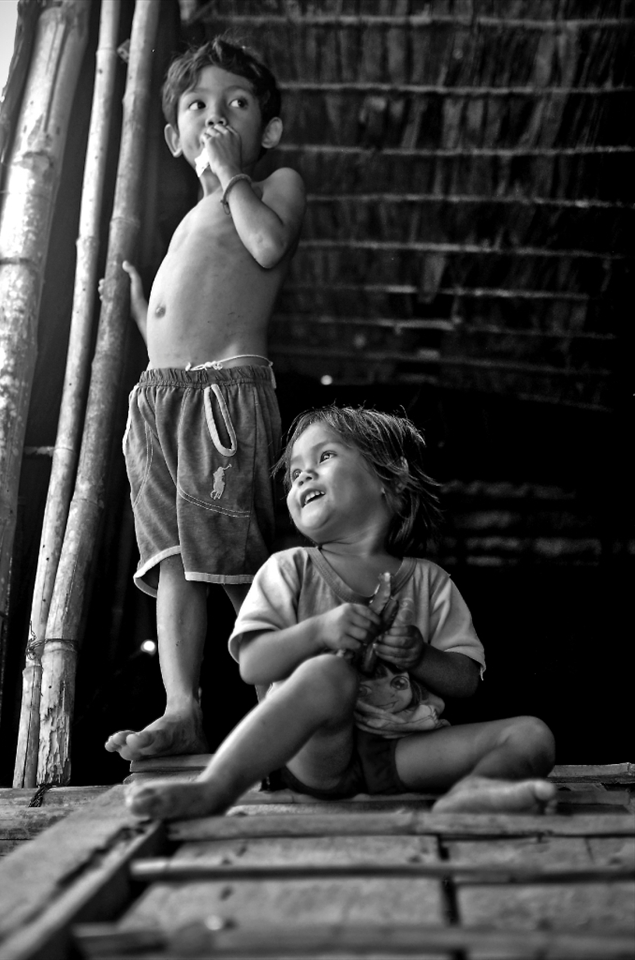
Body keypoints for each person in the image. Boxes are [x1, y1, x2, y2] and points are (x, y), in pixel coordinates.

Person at [126, 405, 556, 819]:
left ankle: (473, 792)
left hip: (404, 752)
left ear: (393, 476)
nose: (304, 476)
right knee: (327, 675)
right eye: (295, 474)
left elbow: (465, 681)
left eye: (325, 455)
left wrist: (421, 656)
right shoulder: (289, 568)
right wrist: (319, 632)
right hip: (317, 755)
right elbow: (254, 665)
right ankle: (214, 788)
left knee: (531, 735)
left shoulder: (431, 582)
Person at [104, 36, 306, 763]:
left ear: (268, 132)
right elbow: (177, 322)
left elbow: (265, 248)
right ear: (172, 136)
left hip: (222, 398)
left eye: (236, 104)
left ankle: (280, 714)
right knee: (172, 560)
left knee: (231, 557)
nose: (215, 117)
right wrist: (134, 307)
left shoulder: (271, 184)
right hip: (160, 401)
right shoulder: (188, 220)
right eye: (198, 106)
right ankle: (181, 708)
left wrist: (230, 175)